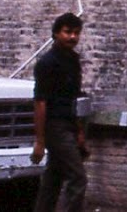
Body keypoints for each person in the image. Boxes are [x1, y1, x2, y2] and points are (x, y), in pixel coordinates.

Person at [32, 12, 88, 212]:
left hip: (69, 124)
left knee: (53, 178)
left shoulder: (73, 60)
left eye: (76, 33)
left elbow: (76, 99)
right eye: (67, 32)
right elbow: (40, 103)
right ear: (56, 34)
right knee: (78, 177)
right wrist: (40, 141)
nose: (72, 37)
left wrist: (79, 131)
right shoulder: (47, 63)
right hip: (55, 126)